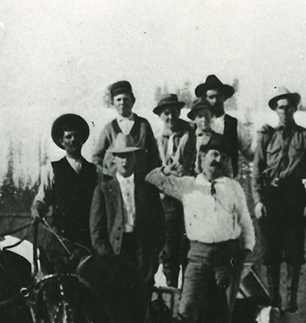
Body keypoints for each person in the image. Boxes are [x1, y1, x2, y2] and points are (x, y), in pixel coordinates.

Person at [145, 134, 255, 323]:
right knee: (186, 312)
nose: (218, 160)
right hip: (197, 256)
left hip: (227, 258)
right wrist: (166, 169)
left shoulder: (233, 187)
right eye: (212, 155)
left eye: (223, 157)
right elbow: (151, 178)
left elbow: (246, 221)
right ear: (201, 159)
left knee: (221, 315)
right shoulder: (187, 185)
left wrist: (247, 249)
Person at [254, 86, 306, 313]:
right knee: (271, 251)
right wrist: (258, 200)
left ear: (294, 109)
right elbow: (257, 171)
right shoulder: (266, 137)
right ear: (275, 110)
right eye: (280, 107)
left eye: (288, 107)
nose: (284, 111)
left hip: (294, 196)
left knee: (294, 249)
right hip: (271, 196)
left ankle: (291, 298)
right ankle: (274, 297)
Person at [90, 134, 165, 286]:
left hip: (142, 252)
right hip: (116, 253)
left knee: (142, 297)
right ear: (114, 159)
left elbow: (160, 226)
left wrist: (153, 256)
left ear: (135, 158)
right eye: (121, 156)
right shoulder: (104, 190)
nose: (125, 161)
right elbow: (96, 232)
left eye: (129, 156)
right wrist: (109, 259)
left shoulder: (148, 189)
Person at [31, 113, 98, 273]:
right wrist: (36, 209)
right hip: (60, 239)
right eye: (68, 137)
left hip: (88, 239)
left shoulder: (94, 171)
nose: (73, 140)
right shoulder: (52, 169)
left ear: (82, 139)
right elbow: (42, 198)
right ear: (61, 141)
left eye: (76, 136)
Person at [154, 94, 192, 286]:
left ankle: (188, 291)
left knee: (187, 244)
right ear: (161, 116)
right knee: (169, 244)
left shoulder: (189, 134)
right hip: (166, 197)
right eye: (166, 113)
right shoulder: (158, 139)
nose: (170, 117)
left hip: (188, 195)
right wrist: (164, 171)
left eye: (174, 113)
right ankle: (170, 285)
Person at [91, 80, 161, 176]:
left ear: (132, 101)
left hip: (140, 181)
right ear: (113, 103)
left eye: (126, 99)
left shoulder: (143, 125)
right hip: (116, 183)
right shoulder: (109, 129)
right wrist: (106, 174)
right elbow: (97, 157)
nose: (122, 103)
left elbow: (154, 154)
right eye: (118, 100)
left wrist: (148, 174)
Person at [194, 74, 255, 175]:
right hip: (202, 183)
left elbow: (249, 154)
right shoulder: (198, 125)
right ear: (205, 99)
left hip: (228, 182)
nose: (215, 101)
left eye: (219, 97)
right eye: (211, 97)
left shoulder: (234, 124)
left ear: (224, 98)